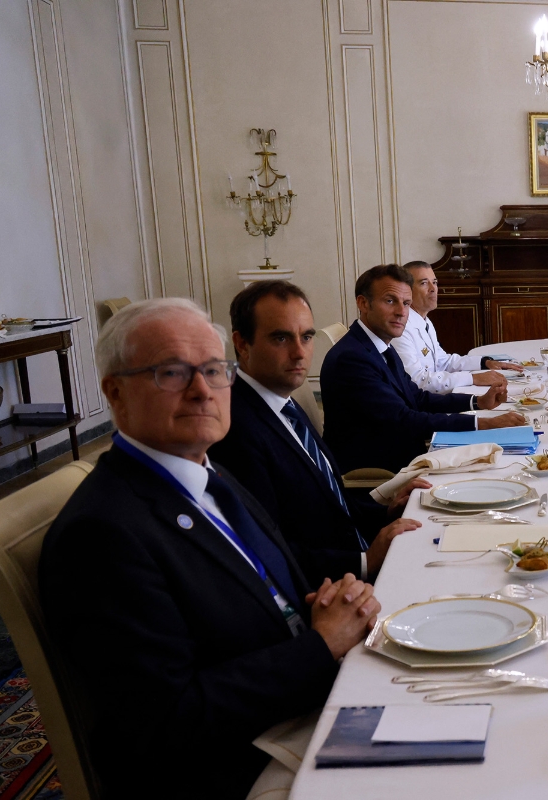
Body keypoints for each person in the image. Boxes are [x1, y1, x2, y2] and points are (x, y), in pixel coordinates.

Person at [39, 298, 380, 799]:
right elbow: (166, 720)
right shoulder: (101, 535)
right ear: (116, 392)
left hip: (302, 706)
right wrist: (320, 646)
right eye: (172, 372)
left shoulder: (208, 474)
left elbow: (274, 581)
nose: (202, 391)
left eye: (215, 370)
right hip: (238, 767)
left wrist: (334, 598)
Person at [209, 280, 428, 587]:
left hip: (355, 554)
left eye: (307, 336)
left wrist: (385, 511)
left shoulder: (284, 403)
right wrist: (366, 562)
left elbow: (329, 502)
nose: (300, 353)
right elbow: (265, 549)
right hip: (333, 586)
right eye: (281, 338)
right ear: (242, 344)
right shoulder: (235, 429)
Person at [321, 264, 526, 473]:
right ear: (363, 303)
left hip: (403, 449)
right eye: (390, 301)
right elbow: (403, 419)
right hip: (381, 467)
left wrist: (478, 402)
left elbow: (417, 398)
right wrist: (482, 424)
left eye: (406, 303)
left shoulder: (380, 345)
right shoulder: (352, 358)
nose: (401, 312)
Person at [393, 260, 523, 393]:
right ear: (406, 291)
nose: (433, 289)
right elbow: (418, 382)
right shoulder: (400, 329)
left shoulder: (425, 321)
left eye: (435, 282)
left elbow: (443, 362)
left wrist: (485, 363)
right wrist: (472, 378)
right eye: (424, 283)